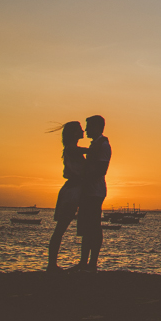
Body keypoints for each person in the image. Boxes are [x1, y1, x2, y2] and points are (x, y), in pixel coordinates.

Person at [71, 114, 111, 273]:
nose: (86, 130)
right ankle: (84, 262)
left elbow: (102, 170)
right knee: (87, 226)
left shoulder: (103, 145)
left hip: (95, 191)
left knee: (94, 226)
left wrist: (84, 178)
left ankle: (92, 263)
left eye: (88, 126)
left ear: (97, 127)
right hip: (89, 190)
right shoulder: (96, 144)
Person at [46, 121, 87, 272]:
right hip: (72, 192)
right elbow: (85, 152)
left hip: (74, 190)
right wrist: (95, 149)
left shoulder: (72, 149)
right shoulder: (71, 149)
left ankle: (52, 264)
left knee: (61, 228)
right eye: (79, 129)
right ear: (74, 133)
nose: (82, 131)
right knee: (60, 228)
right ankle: (51, 265)